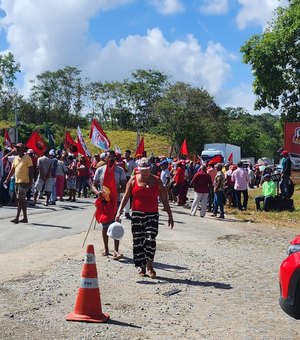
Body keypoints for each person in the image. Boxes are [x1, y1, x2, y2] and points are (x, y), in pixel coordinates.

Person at [115, 157, 174, 278]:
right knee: (138, 240)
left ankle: (149, 265)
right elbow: (125, 198)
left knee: (150, 238)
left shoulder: (157, 181)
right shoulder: (132, 180)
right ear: (138, 169)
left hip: (152, 214)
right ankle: (140, 266)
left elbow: (164, 198)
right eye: (142, 170)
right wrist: (119, 212)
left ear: (150, 168)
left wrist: (170, 215)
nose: (145, 172)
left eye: (147, 169)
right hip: (137, 214)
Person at [92, 150, 127, 260]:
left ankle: (116, 249)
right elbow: (94, 185)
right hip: (104, 201)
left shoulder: (120, 171)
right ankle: (106, 248)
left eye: (113, 157)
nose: (111, 158)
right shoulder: (100, 170)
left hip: (115, 200)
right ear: (105, 158)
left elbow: (124, 186)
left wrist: (116, 191)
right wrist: (98, 193)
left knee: (116, 224)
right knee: (105, 224)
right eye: (109, 156)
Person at [3, 143, 33, 223]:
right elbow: (12, 170)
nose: (17, 149)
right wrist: (7, 179)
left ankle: (18, 218)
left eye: (19, 148)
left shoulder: (27, 158)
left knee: (20, 199)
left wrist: (31, 181)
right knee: (20, 199)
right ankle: (23, 218)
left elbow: (31, 171)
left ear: (23, 149)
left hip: (24, 182)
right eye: (16, 148)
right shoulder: (15, 158)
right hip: (17, 181)